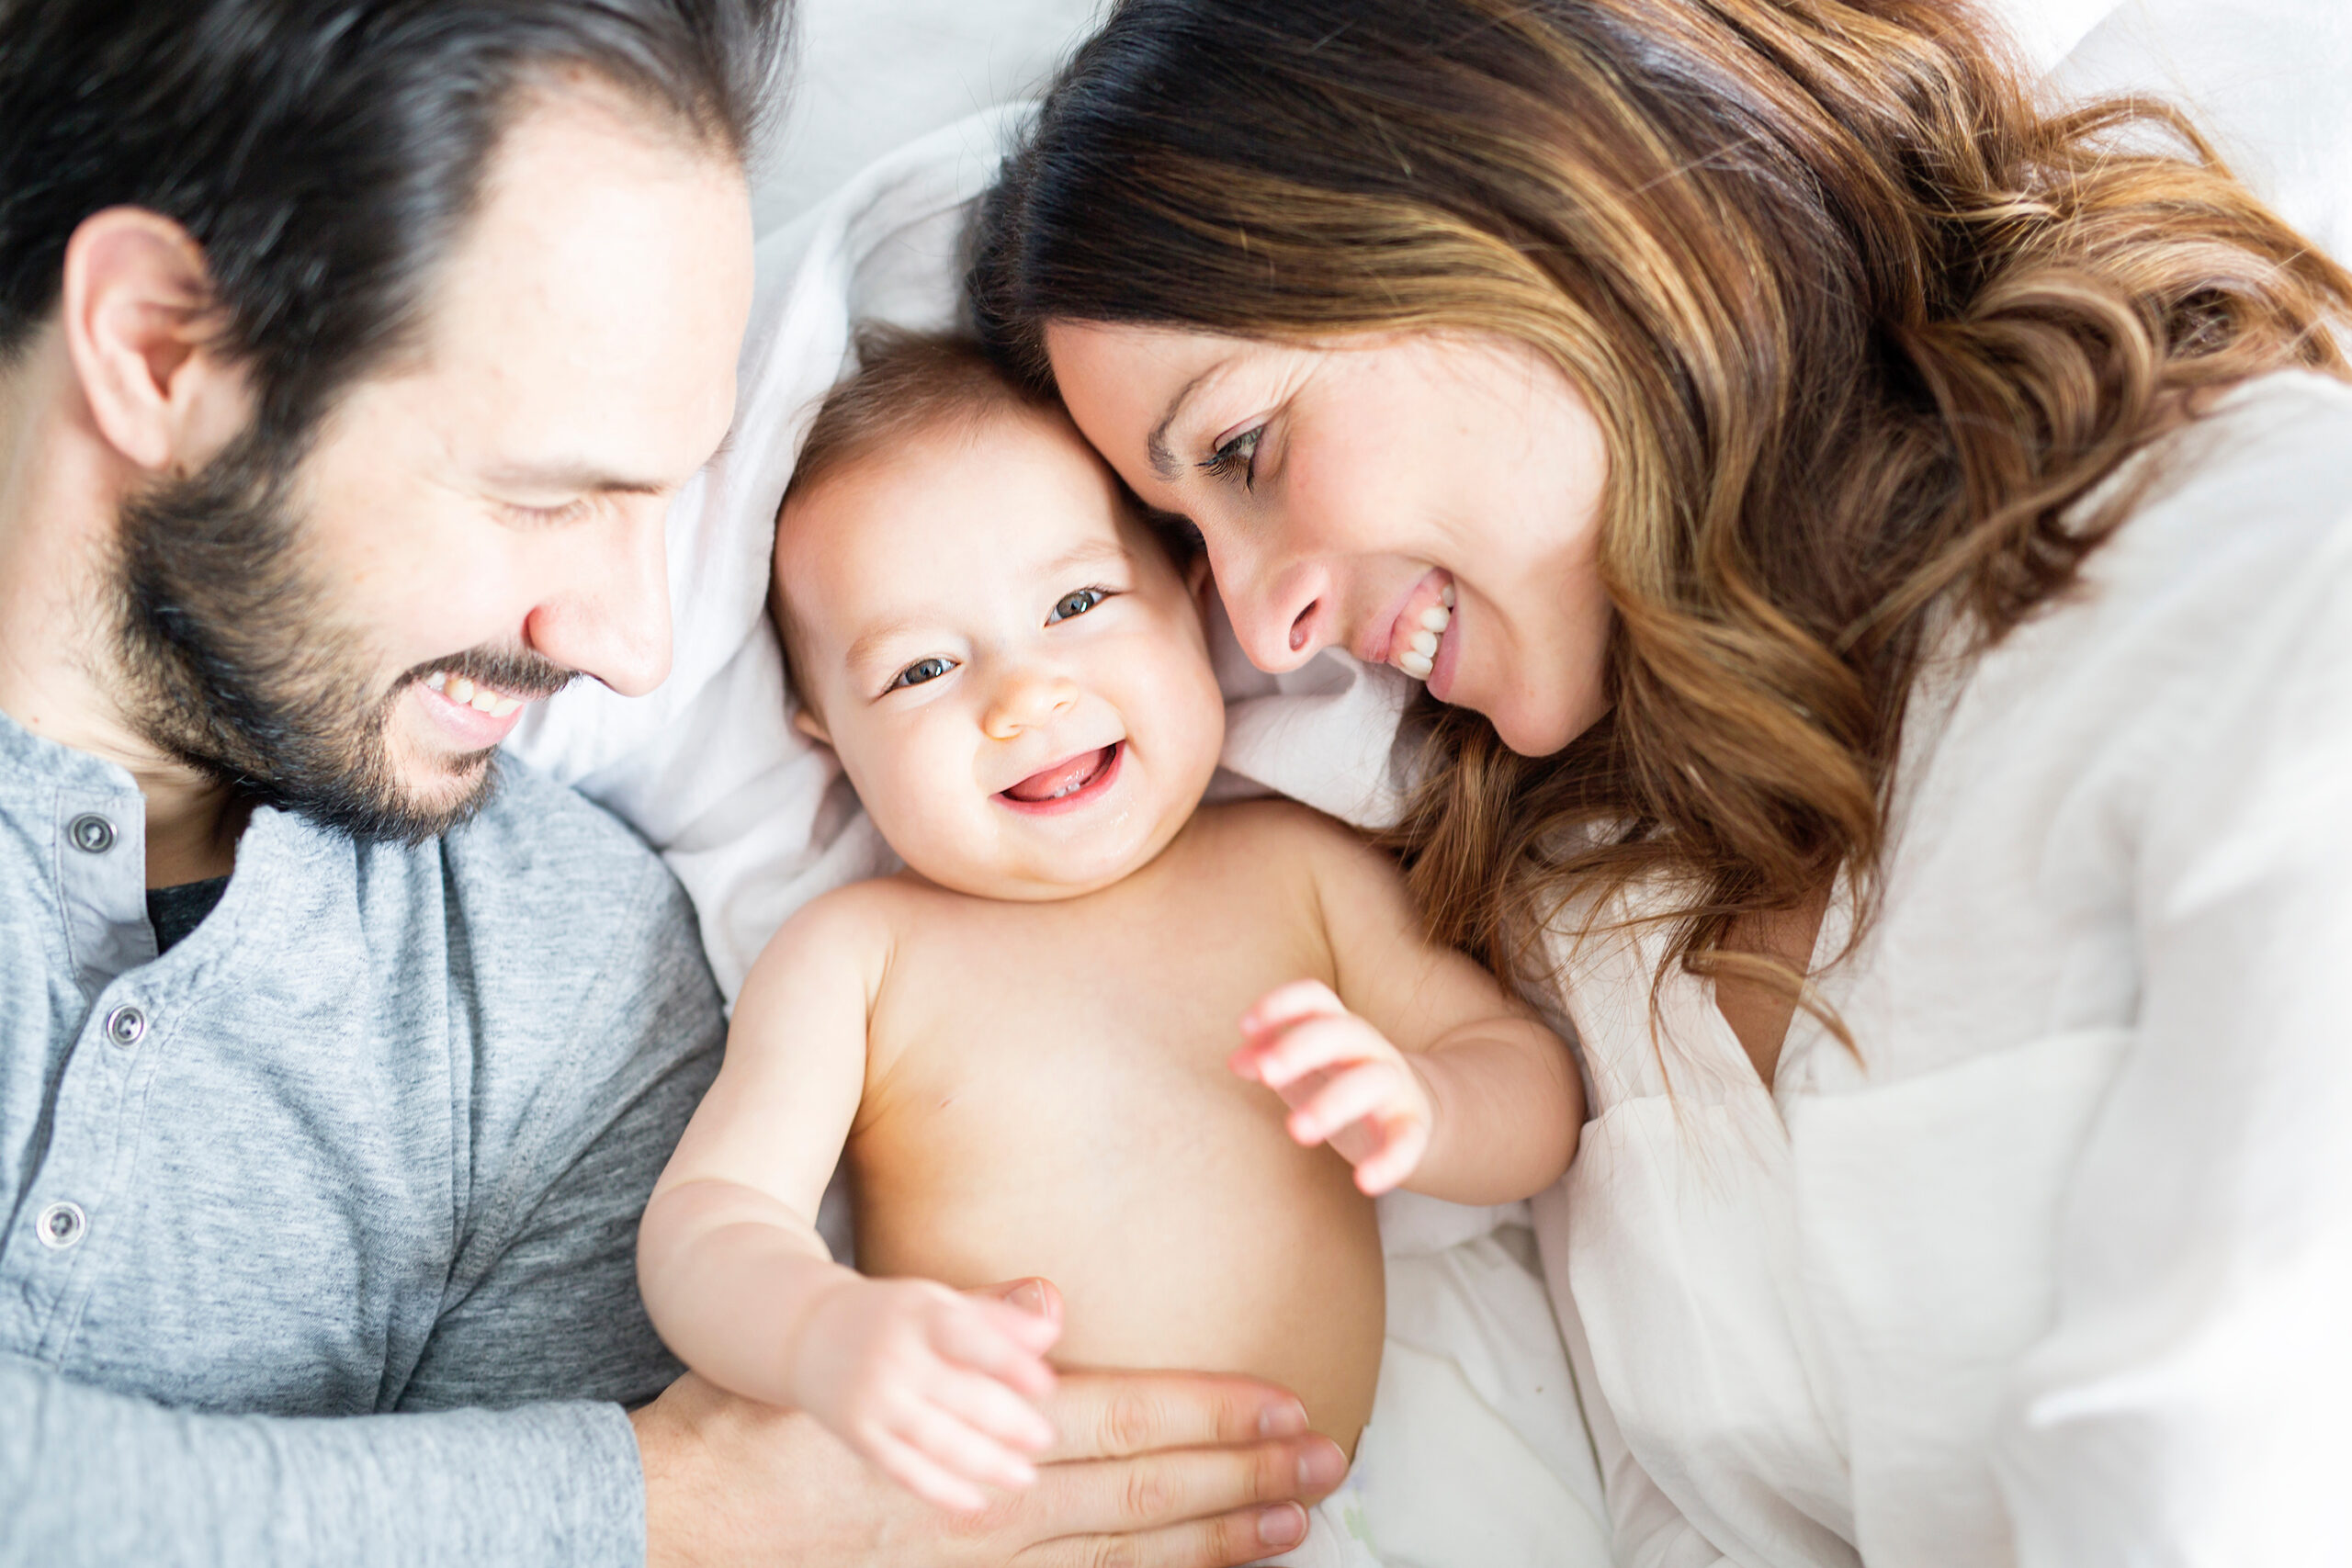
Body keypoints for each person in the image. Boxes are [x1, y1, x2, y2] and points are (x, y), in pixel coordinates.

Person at [970, 0, 2352, 1562]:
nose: (1260, 627)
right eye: (1189, 545)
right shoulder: (1594, 926)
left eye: (1245, 449)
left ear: (1531, 200)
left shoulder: (2264, 584)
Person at [0, 4, 1349, 1564]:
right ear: (159, 346)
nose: (635, 648)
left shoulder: (568, 988)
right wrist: (659, 1502)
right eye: (551, 496)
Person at [636, 333, 1581, 1564]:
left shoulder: (1296, 873)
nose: (1022, 695)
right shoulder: (857, 956)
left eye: (1077, 605)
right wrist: (822, 1333)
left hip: (1309, 1527)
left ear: (1195, 610)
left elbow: (1531, 1085)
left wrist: (1431, 1105)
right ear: (827, 737)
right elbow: (709, 1226)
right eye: (921, 668)